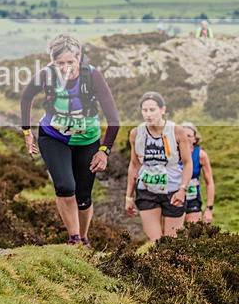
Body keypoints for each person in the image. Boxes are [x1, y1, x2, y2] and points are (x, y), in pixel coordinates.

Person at [21, 34, 120, 247]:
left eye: (70, 62)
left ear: (79, 58)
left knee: (83, 197)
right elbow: (26, 96)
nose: (65, 67)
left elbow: (114, 120)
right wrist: (27, 133)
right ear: (52, 61)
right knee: (66, 186)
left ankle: (84, 237)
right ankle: (74, 238)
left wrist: (104, 150)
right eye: (59, 63)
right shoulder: (46, 75)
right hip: (53, 136)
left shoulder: (93, 76)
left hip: (87, 140)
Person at [125, 92, 193, 243]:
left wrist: (182, 190)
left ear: (162, 110)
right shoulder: (136, 133)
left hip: (173, 190)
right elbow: (134, 164)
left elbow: (188, 163)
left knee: (171, 241)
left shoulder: (177, 131)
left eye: (152, 110)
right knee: (154, 240)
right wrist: (129, 197)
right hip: (146, 189)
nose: (148, 114)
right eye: (145, 110)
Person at [179, 122, 215, 224]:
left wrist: (209, 209)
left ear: (195, 139)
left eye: (189, 136)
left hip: (192, 198)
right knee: (173, 234)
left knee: (193, 232)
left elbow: (210, 182)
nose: (186, 138)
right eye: (183, 135)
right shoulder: (171, 154)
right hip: (173, 198)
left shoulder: (201, 155)